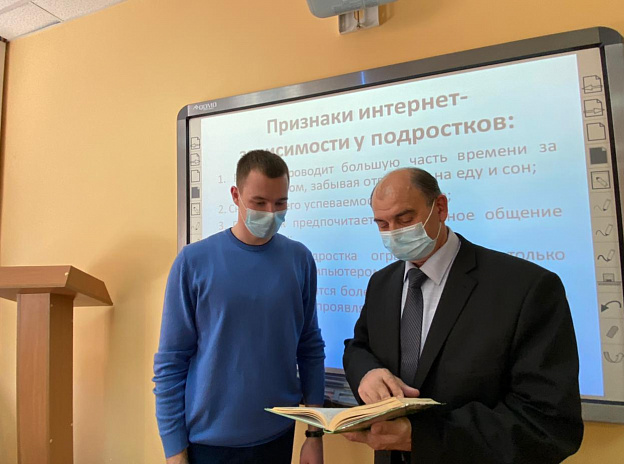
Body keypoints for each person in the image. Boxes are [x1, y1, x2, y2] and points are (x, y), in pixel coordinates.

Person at [342, 167, 583, 464]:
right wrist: (367, 373)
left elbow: (548, 423)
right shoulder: (382, 283)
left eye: (404, 219)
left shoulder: (525, 288)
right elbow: (359, 347)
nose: (394, 232)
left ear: (440, 208)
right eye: (382, 224)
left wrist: (422, 438)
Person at [153, 150, 326, 464]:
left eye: (280, 203)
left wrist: (314, 435)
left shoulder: (299, 259)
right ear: (236, 196)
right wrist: (174, 450)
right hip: (208, 443)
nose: (271, 213)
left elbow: (310, 347)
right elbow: (171, 362)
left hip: (278, 435)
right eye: (259, 202)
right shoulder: (193, 262)